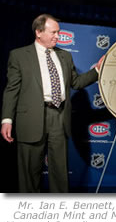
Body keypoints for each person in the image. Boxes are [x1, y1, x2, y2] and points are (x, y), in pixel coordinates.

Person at [1, 14, 104, 193]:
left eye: (58, 32)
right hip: (31, 119)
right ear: (39, 32)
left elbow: (76, 83)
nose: (58, 36)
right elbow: (12, 90)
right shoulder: (19, 56)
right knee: (29, 171)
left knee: (59, 171)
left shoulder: (65, 56)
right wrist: (7, 120)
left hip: (59, 116)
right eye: (53, 32)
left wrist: (97, 70)